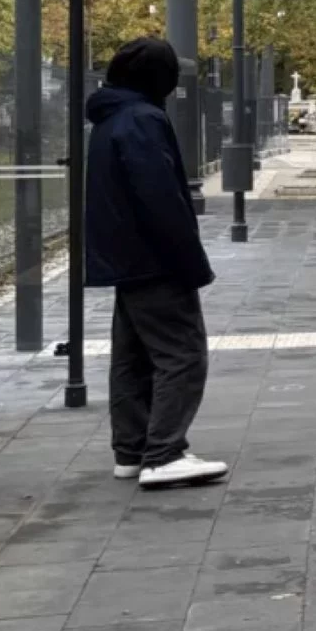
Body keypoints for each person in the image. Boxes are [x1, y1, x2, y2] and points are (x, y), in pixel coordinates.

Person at [85, 37, 229, 489]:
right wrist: (191, 261)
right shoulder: (144, 119)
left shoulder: (109, 119)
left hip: (124, 258)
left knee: (131, 358)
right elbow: (162, 198)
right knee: (182, 354)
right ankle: (165, 453)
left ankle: (130, 452)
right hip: (156, 259)